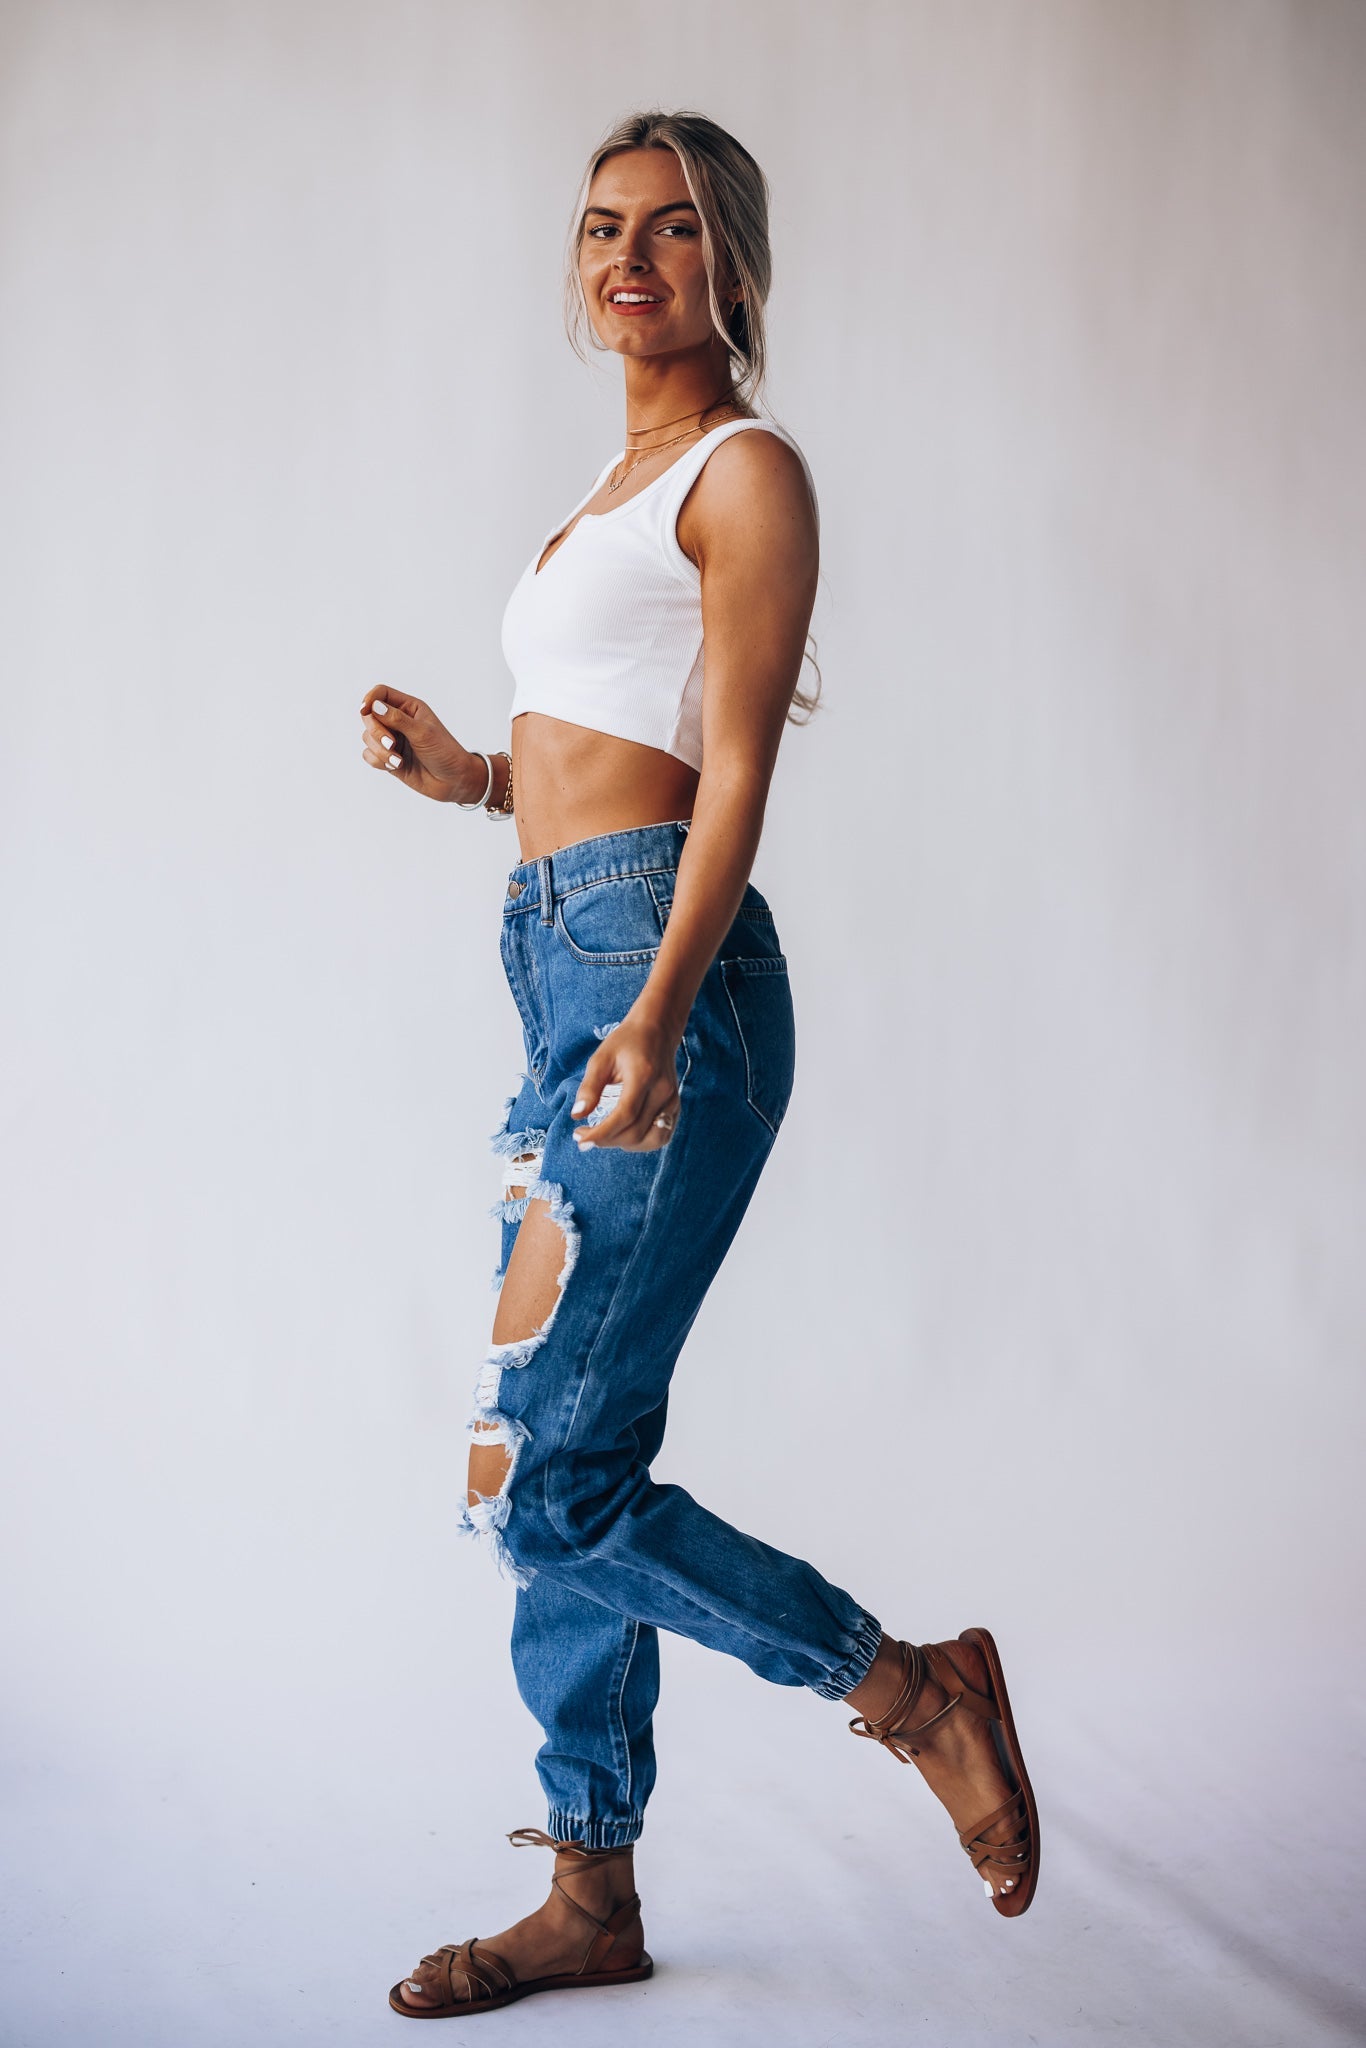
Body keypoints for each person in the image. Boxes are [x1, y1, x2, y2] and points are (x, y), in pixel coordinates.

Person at [360, 109, 1039, 2021]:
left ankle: (911, 1691)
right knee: (562, 1452)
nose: (625, 259)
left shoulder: (749, 472)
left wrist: (655, 1014)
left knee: (533, 1484)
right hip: (563, 960)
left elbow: (730, 771)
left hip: (663, 971)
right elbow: (605, 734)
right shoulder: (617, 483)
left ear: (730, 260)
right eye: (600, 227)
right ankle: (592, 1894)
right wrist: (476, 781)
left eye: (666, 229)